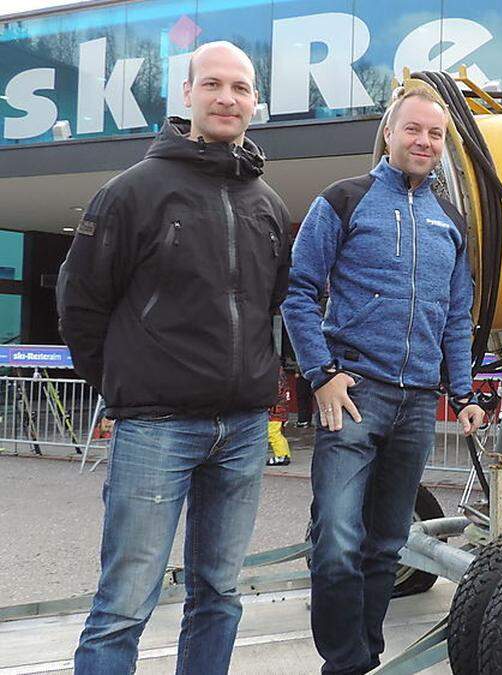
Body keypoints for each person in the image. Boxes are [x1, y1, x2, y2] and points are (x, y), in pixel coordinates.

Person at [57, 41, 290, 673]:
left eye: (240, 88)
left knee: (218, 594)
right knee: (125, 604)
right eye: (212, 84)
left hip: (242, 430)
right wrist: (118, 383)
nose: (226, 98)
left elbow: (272, 302)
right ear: (185, 95)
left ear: (254, 103)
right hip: (157, 427)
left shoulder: (267, 204)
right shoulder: (133, 192)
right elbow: (81, 301)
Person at [281, 87, 485, 675]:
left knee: (386, 544)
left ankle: (362, 659)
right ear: (389, 134)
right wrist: (321, 375)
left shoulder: (448, 221)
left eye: (435, 134)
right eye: (413, 130)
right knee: (338, 542)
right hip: (354, 393)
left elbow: (454, 314)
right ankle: (343, 663)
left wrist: (465, 392)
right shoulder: (345, 200)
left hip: (419, 402)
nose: (424, 141)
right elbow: (298, 294)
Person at [267, 363, 293, 466]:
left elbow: (275, 393)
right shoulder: (279, 374)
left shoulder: (274, 375)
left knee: (272, 433)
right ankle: (285, 454)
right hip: (280, 409)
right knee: (277, 433)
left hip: (276, 410)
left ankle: (281, 456)